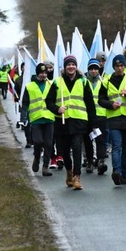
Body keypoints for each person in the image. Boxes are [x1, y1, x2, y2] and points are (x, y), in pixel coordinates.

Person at [46, 55, 97, 190]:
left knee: (77, 148)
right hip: (61, 122)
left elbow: (90, 104)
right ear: (65, 66)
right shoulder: (57, 82)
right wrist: (57, 109)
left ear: (76, 66)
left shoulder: (83, 82)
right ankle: (69, 171)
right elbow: (48, 101)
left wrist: (93, 123)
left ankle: (77, 176)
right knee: (64, 150)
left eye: (73, 64)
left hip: (79, 121)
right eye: (68, 64)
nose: (71, 67)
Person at [98, 53, 126, 186]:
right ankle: (116, 172)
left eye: (122, 65)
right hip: (114, 118)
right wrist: (111, 105)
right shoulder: (106, 81)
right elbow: (101, 100)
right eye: (117, 66)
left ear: (125, 66)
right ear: (113, 67)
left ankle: (123, 174)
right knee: (117, 145)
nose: (119, 68)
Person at [22, 63, 55, 177]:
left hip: (49, 118)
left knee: (48, 144)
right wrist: (23, 117)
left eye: (45, 73)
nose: (43, 75)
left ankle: (45, 166)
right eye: (41, 73)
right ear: (37, 74)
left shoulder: (51, 84)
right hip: (36, 119)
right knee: (38, 141)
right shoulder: (29, 86)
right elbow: (25, 103)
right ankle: (36, 157)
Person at [83, 58, 108, 175]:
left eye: (96, 69)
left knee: (100, 139)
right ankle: (89, 160)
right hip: (87, 115)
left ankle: (100, 161)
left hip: (101, 114)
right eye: (91, 69)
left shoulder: (103, 81)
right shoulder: (83, 82)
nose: (93, 71)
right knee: (88, 139)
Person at [13, 62, 33, 148]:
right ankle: (28, 140)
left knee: (34, 124)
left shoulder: (33, 79)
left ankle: (34, 140)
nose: (25, 69)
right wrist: (17, 98)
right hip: (24, 104)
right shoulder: (18, 80)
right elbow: (16, 91)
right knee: (26, 123)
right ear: (21, 69)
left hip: (34, 104)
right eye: (24, 67)